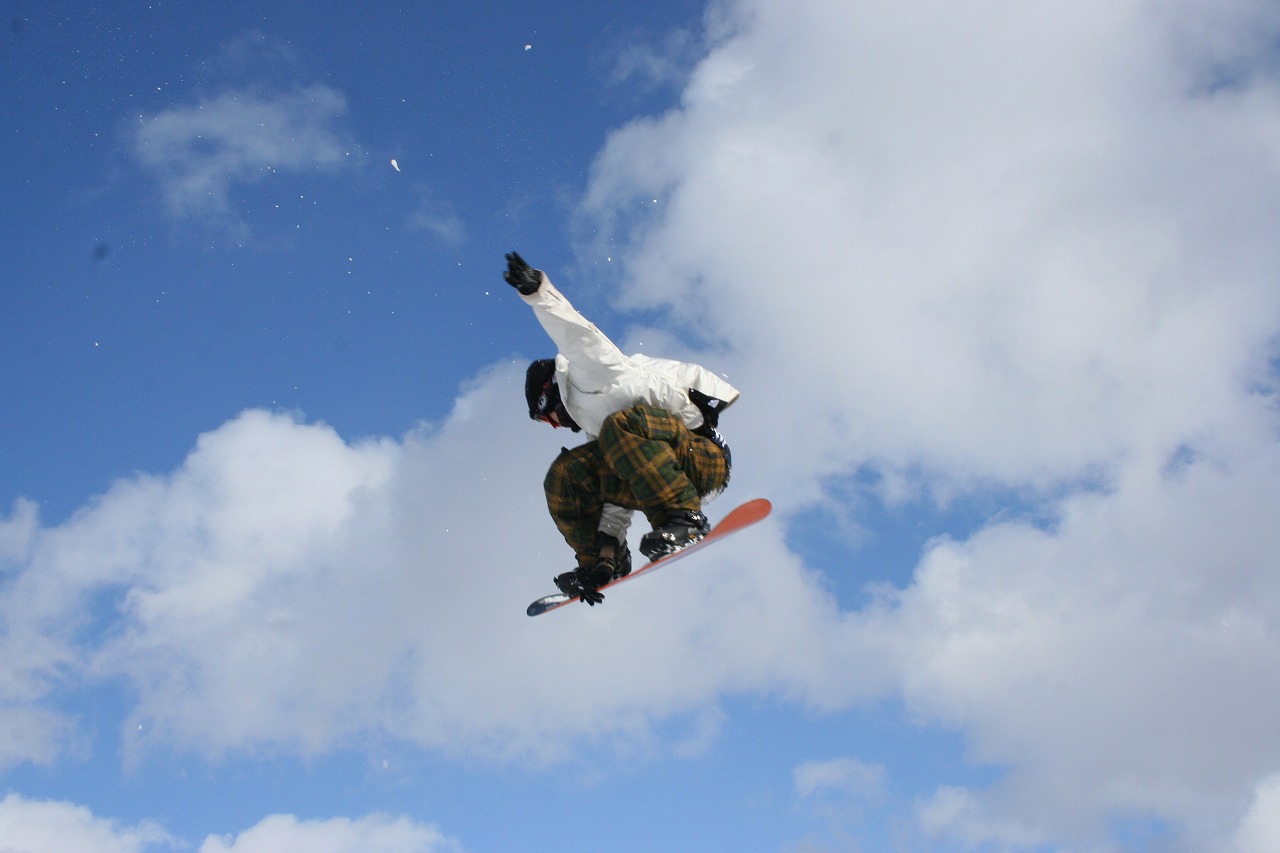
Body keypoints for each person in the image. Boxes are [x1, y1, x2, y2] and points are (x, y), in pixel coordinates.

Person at [503, 251, 739, 605]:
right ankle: (601, 562)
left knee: (621, 427)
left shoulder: (592, 372)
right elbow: (613, 496)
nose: (557, 427)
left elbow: (578, 336)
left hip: (703, 458)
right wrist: (606, 552)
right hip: (657, 462)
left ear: (551, 397)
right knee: (567, 474)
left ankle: (684, 519)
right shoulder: (597, 423)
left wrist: (538, 293)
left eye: (549, 419)